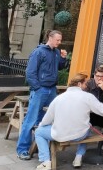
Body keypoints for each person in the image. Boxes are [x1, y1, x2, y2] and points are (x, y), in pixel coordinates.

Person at [34, 72, 103, 170]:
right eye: (85, 83)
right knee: (87, 127)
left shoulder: (58, 98)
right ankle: (78, 157)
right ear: (79, 84)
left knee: (39, 132)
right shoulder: (88, 97)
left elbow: (46, 120)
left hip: (60, 134)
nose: (86, 86)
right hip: (80, 135)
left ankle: (46, 161)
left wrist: (41, 126)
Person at [16, 30, 68, 160]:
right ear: (50, 38)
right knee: (31, 120)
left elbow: (60, 67)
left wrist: (63, 58)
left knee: (46, 120)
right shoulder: (38, 52)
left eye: (60, 40)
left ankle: (39, 146)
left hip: (52, 90)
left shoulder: (56, 52)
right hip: (40, 90)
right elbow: (30, 72)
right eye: (57, 40)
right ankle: (22, 149)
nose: (59, 42)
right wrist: (38, 88)